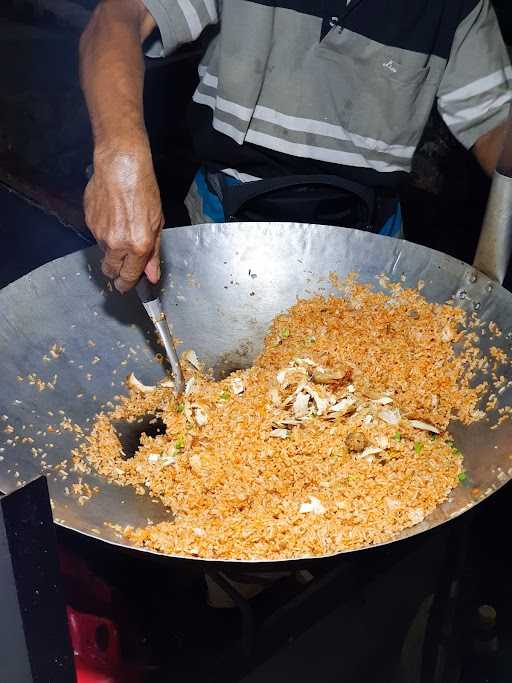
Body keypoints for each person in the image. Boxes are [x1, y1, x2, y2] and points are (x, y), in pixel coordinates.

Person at [80, 0, 511, 293]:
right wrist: (120, 159)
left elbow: (495, 122)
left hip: (371, 247)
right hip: (220, 224)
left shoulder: (463, 7)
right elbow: (120, 16)